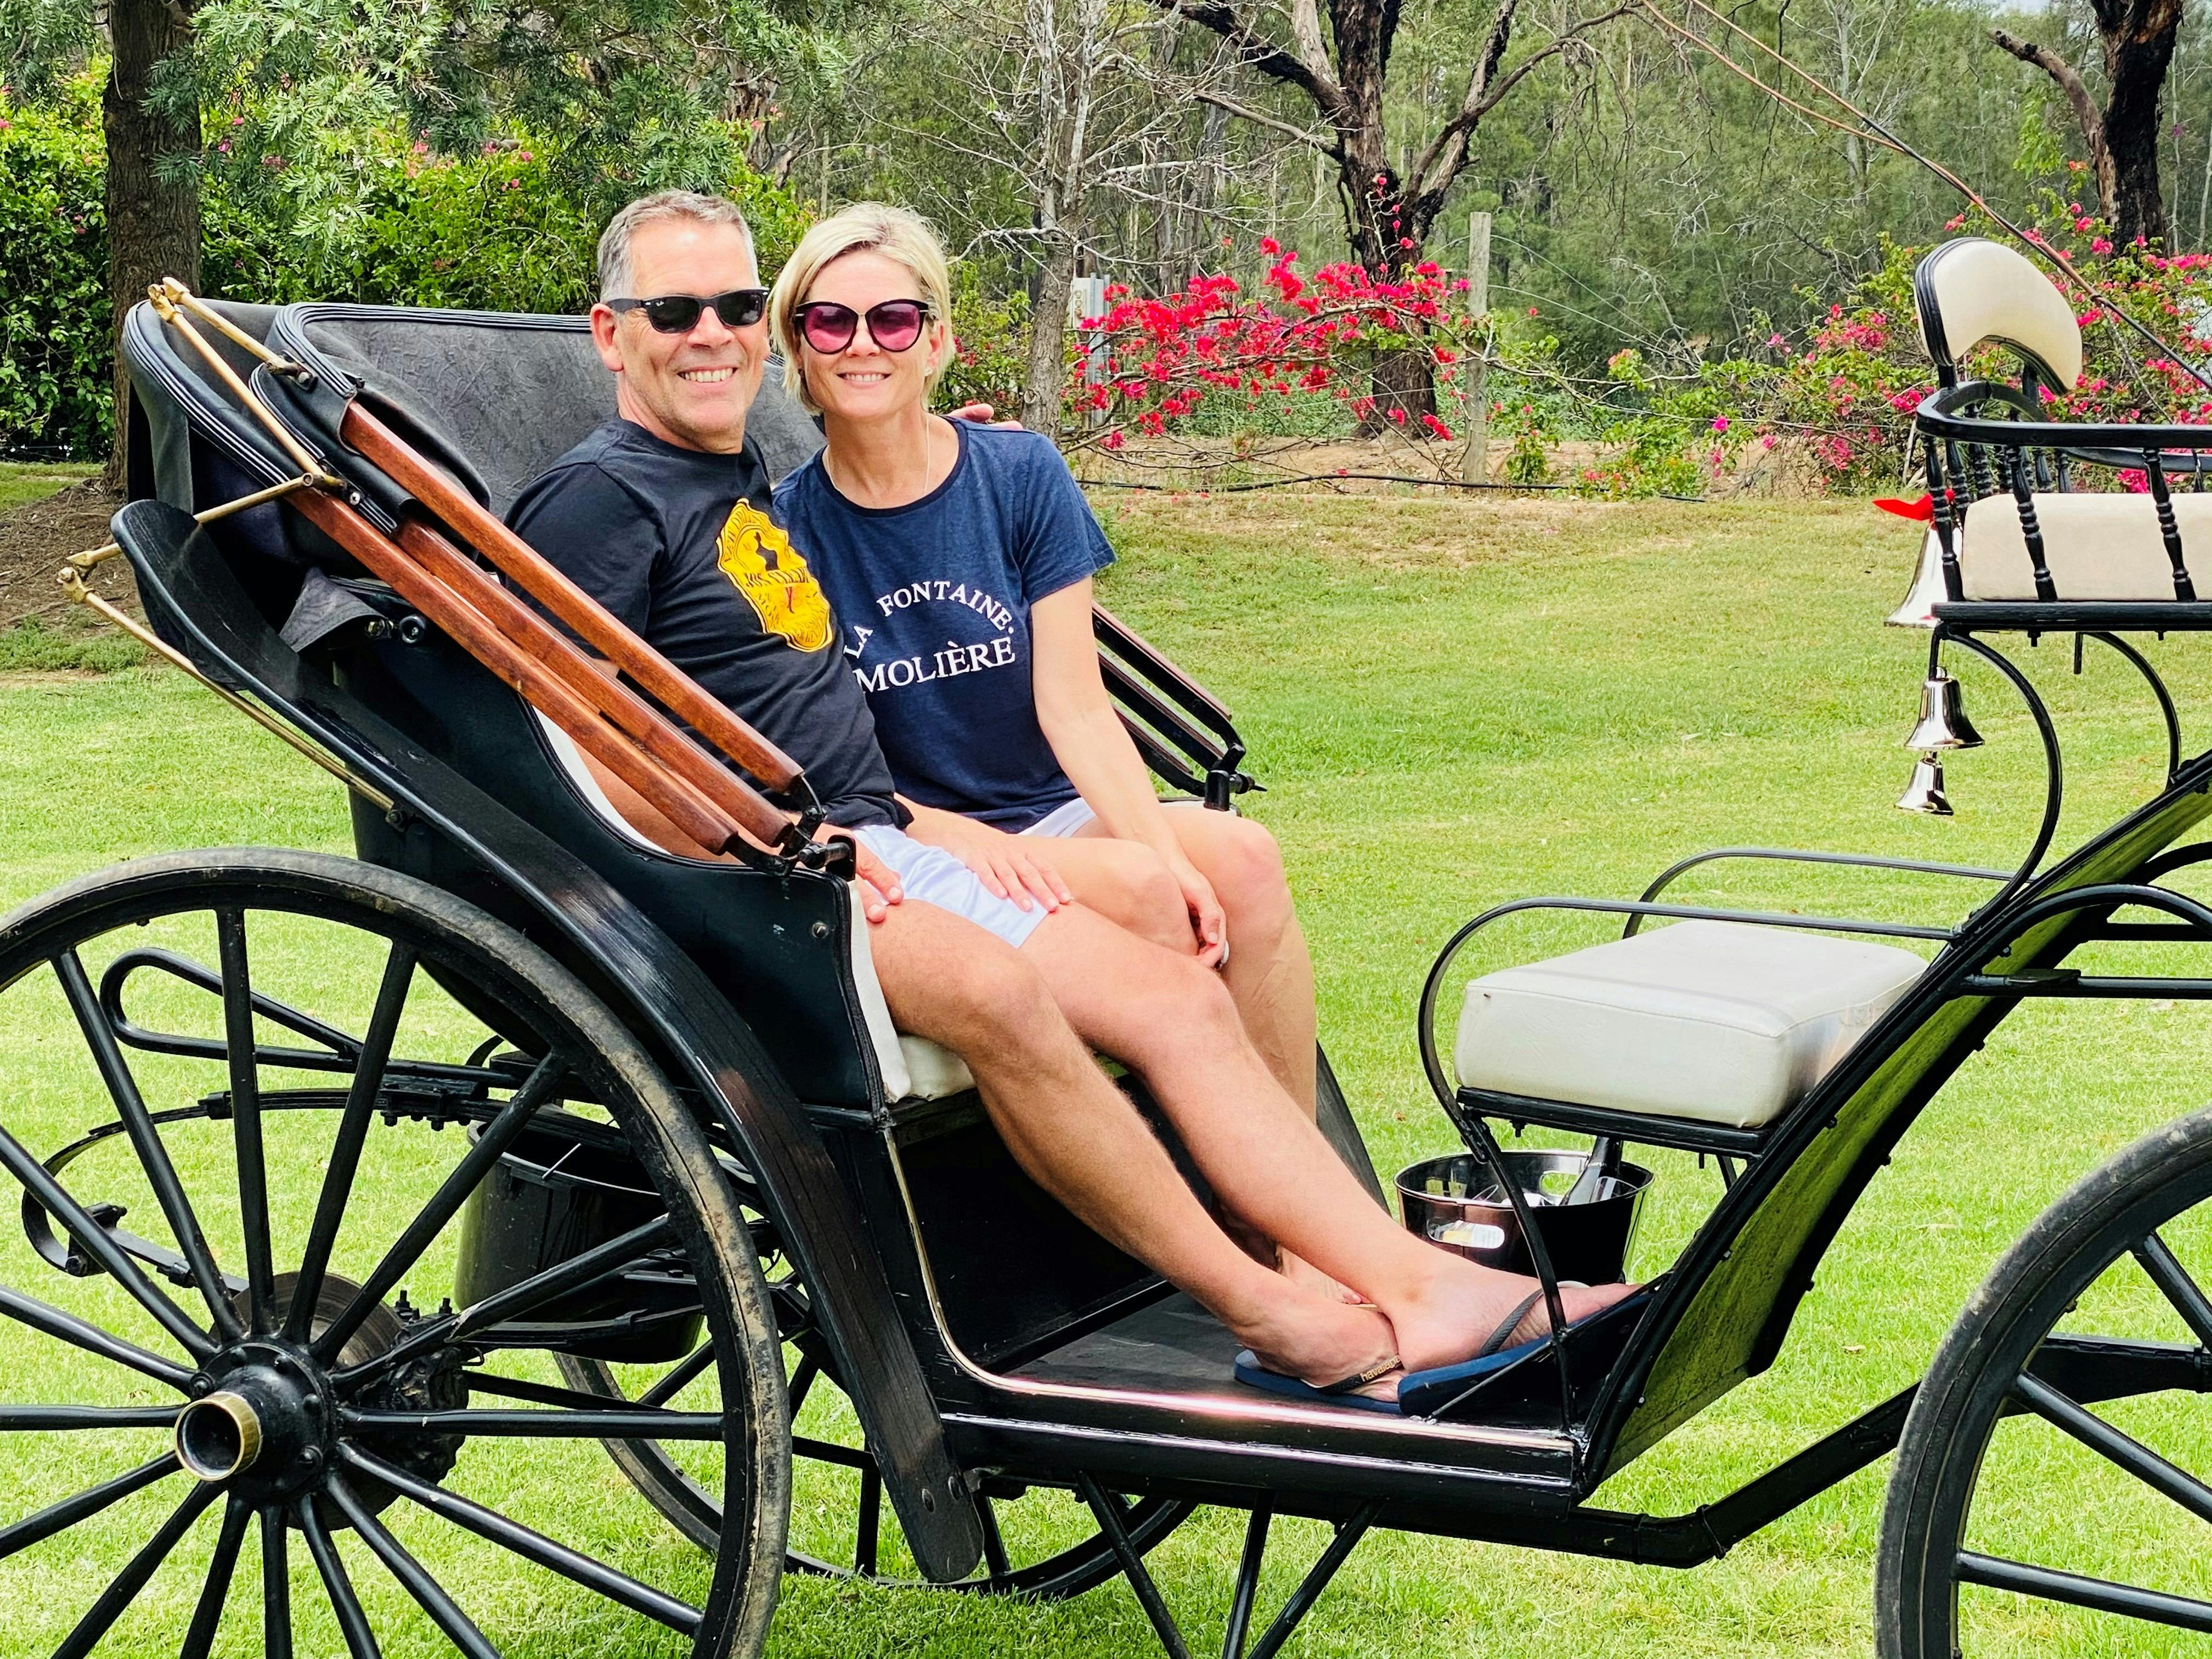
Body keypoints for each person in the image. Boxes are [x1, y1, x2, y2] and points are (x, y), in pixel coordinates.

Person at [505, 189, 1630, 1402]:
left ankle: (1393, 1279)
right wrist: (784, 833)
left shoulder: (739, 480)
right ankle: (1285, 1312)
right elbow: (578, 741)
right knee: (1005, 988)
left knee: (1176, 999)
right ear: (611, 334)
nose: (712, 332)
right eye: (675, 309)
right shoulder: (600, 499)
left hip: (870, 846)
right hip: (774, 884)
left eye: (734, 306)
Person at [767, 204, 1321, 1136]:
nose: (863, 344)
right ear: (799, 346)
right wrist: (957, 836)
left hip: (1057, 806)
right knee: (1149, 895)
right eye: (831, 321)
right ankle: (1209, 1183)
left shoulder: (1017, 474)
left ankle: (1302, 1214)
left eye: (892, 320)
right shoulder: (785, 533)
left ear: (936, 342)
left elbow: (1075, 705)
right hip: (929, 838)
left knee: (1244, 861)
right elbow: (827, 763)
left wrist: (1163, 846)